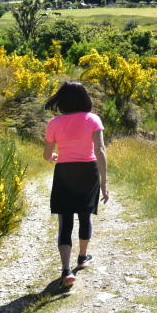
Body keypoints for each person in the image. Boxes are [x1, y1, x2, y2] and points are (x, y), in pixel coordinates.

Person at [44, 80, 109, 286]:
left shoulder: (54, 123)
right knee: (85, 215)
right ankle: (82, 258)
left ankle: (66, 271)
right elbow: (100, 150)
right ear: (85, 98)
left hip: (64, 171)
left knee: (65, 221)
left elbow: (47, 155)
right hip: (88, 171)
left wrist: (55, 156)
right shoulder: (93, 119)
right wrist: (104, 182)